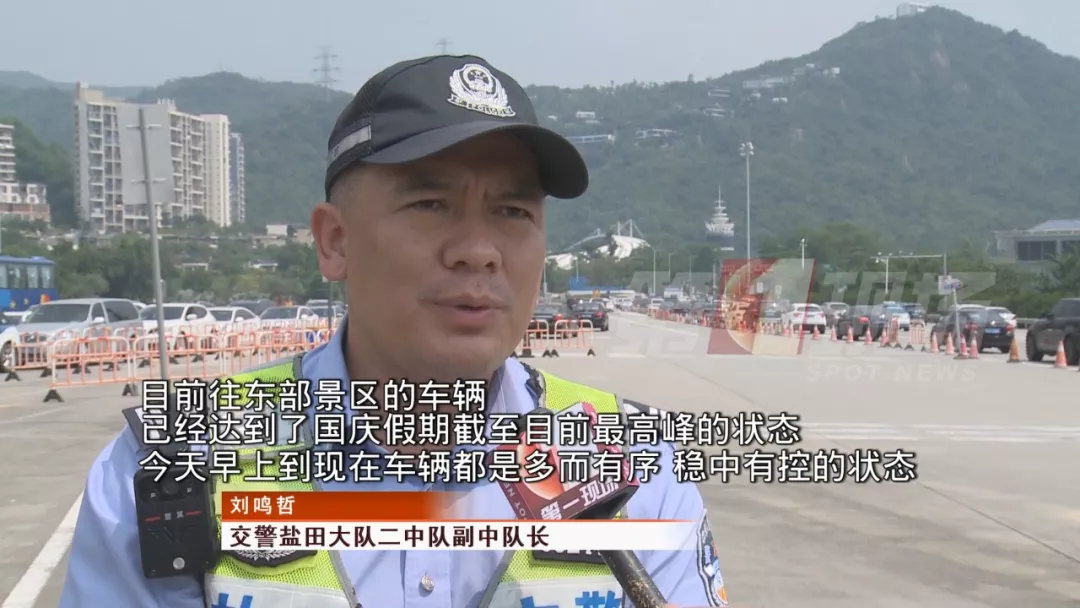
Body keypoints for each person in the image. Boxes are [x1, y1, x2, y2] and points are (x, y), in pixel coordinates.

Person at [58, 54, 729, 608]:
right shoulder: (173, 463)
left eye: (513, 212)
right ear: (335, 241)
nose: (479, 251)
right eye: (430, 204)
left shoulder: (635, 462)